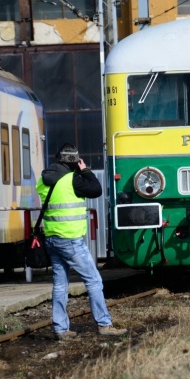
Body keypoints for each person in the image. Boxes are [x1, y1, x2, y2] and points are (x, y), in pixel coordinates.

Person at [37, 144, 127, 339]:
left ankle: (60, 328)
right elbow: (96, 189)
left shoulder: (43, 180)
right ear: (75, 162)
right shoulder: (73, 180)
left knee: (60, 285)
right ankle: (104, 324)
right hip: (70, 240)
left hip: (52, 238)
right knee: (93, 280)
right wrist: (85, 170)